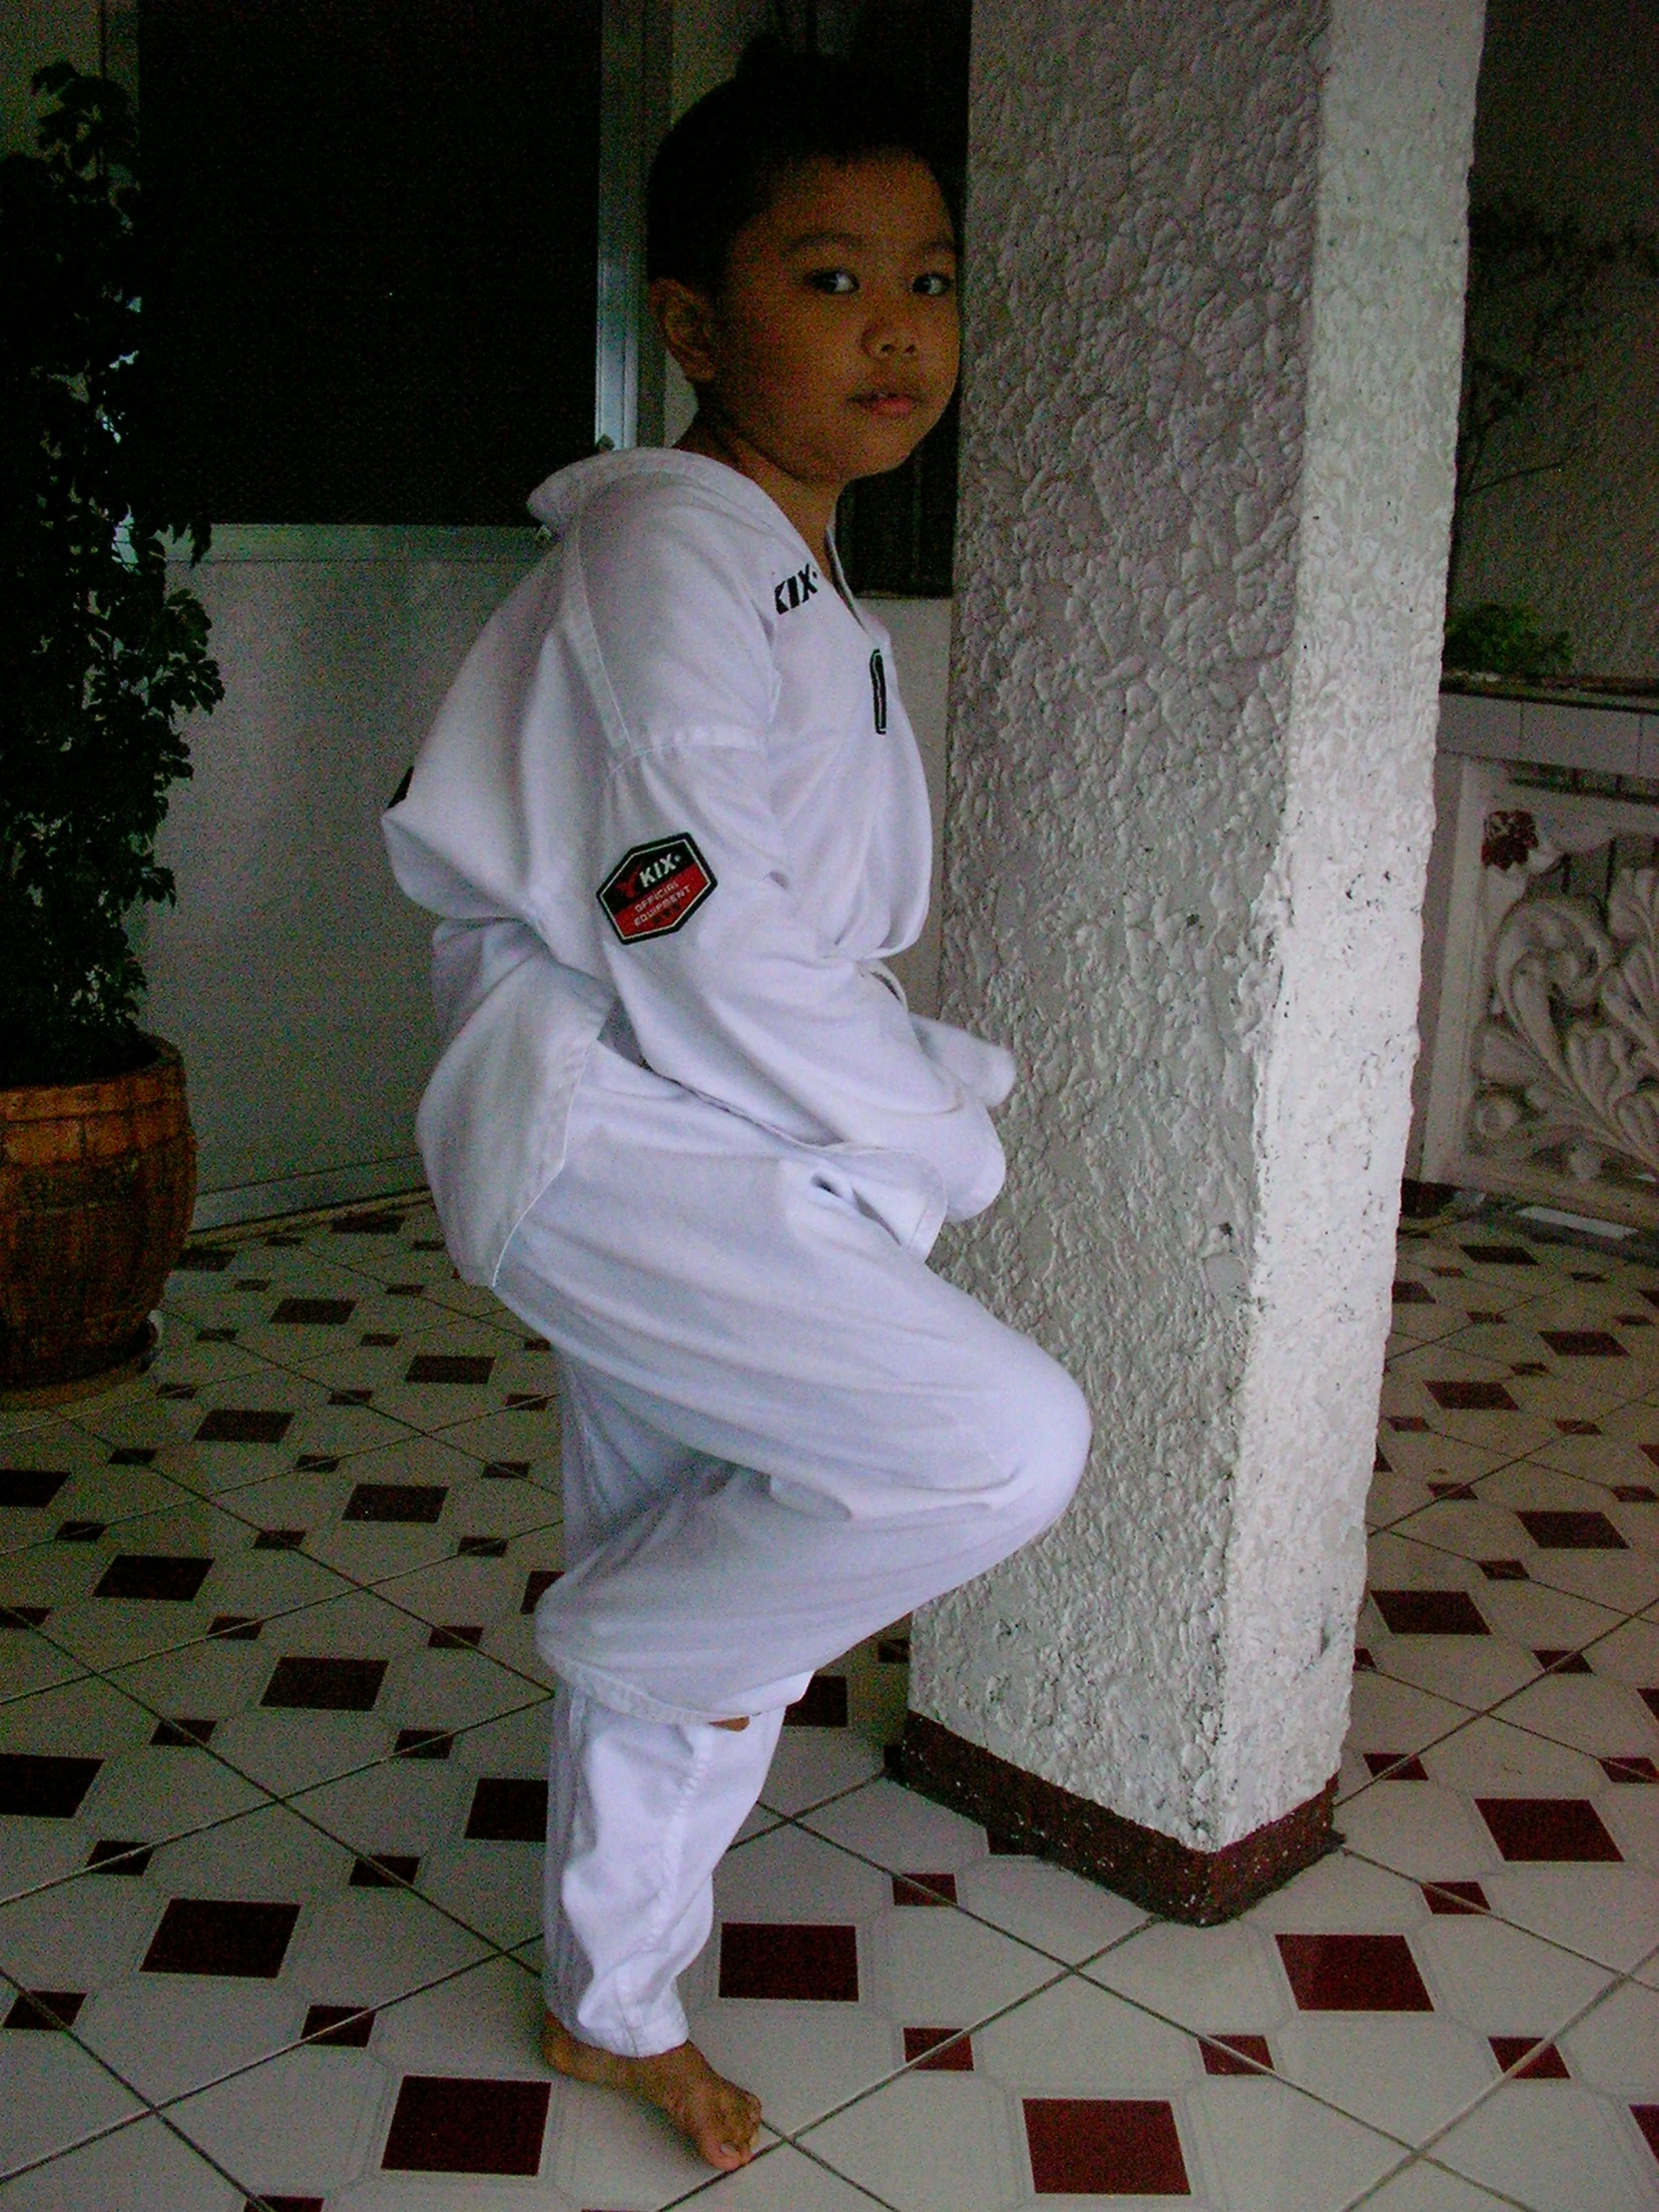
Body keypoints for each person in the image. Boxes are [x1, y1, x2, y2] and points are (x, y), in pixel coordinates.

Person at [382, 39, 1090, 2174]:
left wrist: (861, 1115)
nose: (899, 327)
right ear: (694, 323)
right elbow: (692, 925)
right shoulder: (676, 549)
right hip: (616, 1126)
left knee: (706, 1540)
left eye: (934, 279)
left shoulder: (785, 560)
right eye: (831, 276)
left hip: (705, 1118)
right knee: (988, 1441)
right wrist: (932, 1131)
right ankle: (619, 1636)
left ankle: (611, 2000)